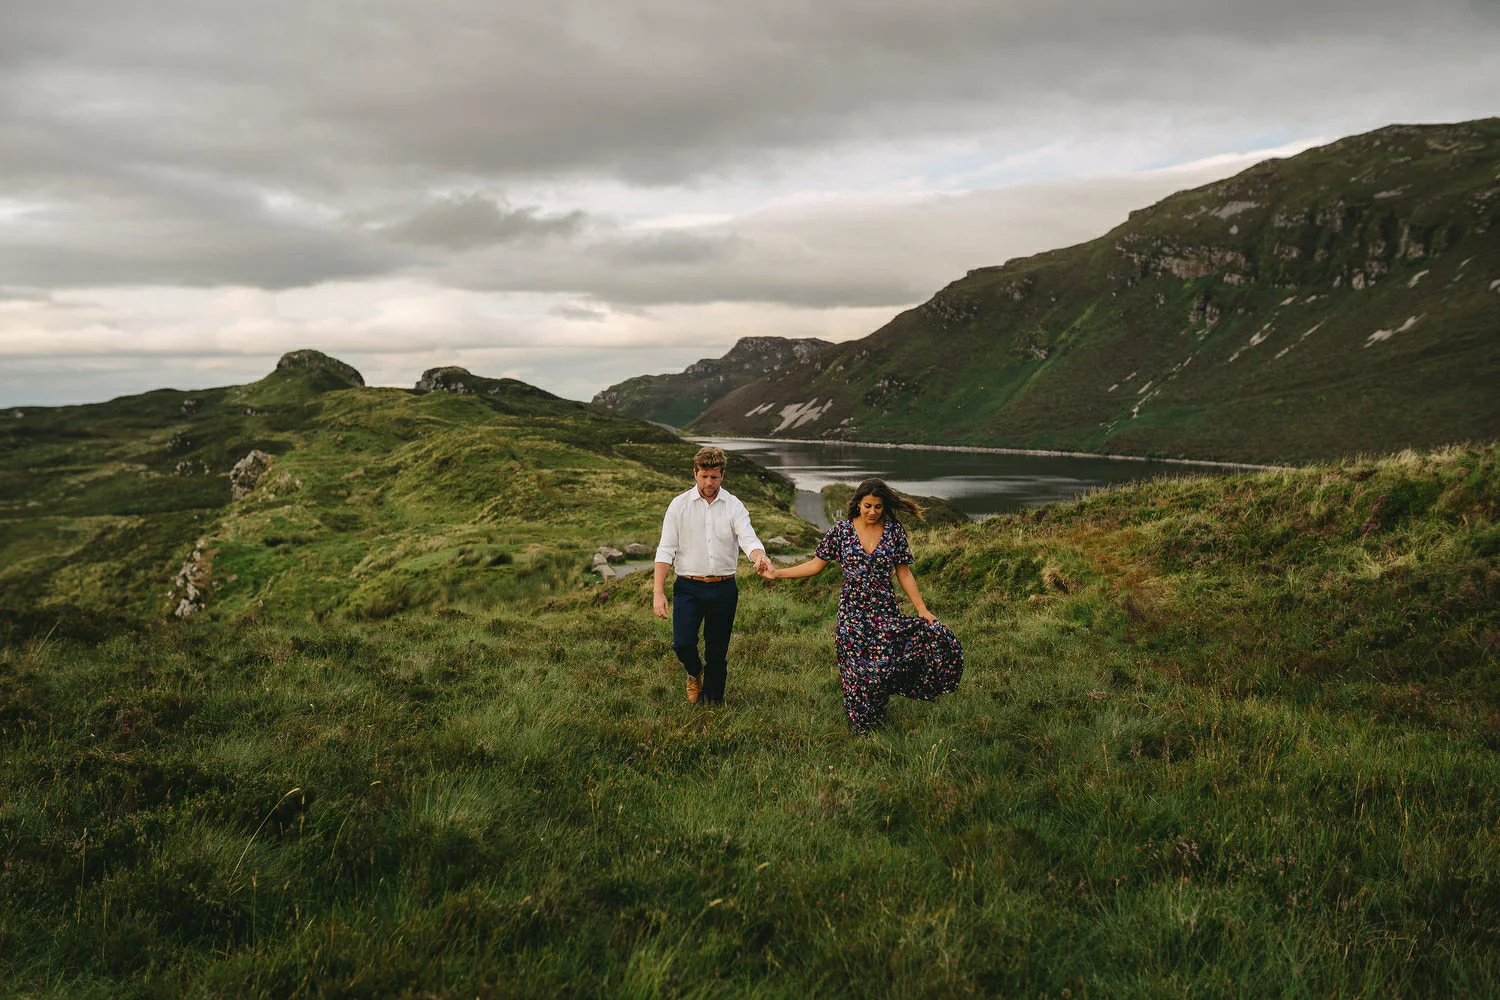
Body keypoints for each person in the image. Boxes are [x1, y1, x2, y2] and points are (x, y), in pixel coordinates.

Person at [759, 478, 962, 732]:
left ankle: (876, 709)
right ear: (858, 504)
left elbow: (904, 573)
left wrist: (922, 609)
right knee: (855, 669)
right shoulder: (841, 531)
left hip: (884, 608)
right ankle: (862, 725)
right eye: (868, 505)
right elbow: (815, 565)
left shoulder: (894, 531)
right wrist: (778, 574)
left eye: (878, 506)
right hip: (851, 612)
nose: (872, 512)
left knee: (882, 665)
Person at [653, 446, 773, 705]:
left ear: (722, 476)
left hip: (723, 588)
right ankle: (694, 672)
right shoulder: (678, 505)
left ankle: (713, 702)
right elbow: (665, 549)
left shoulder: (734, 505)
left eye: (714, 477)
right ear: (695, 473)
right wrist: (658, 591)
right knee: (682, 644)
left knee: (717, 650)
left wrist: (759, 556)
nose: (709, 482)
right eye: (704, 476)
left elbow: (747, 537)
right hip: (688, 587)